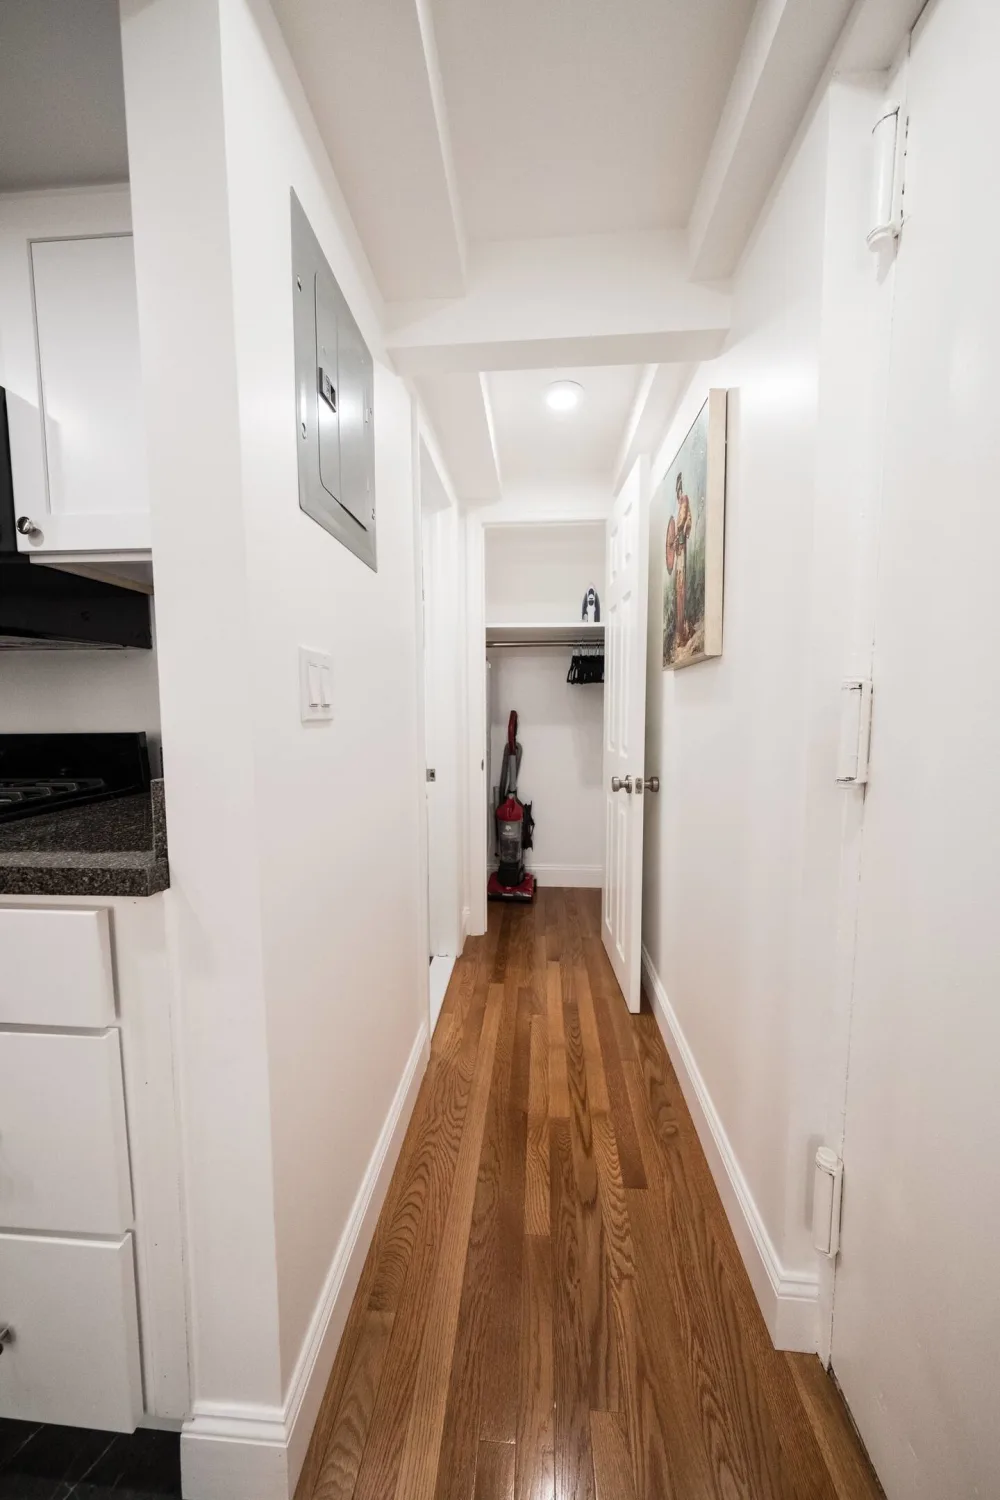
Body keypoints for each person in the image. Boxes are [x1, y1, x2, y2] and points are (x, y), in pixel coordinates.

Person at [674, 471, 692, 647]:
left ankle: (683, 628)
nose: (678, 495)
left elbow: (682, 523)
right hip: (678, 550)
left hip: (681, 550)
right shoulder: (680, 505)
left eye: (678, 490)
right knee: (678, 588)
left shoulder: (685, 501)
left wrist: (678, 533)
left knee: (681, 586)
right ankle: (680, 629)